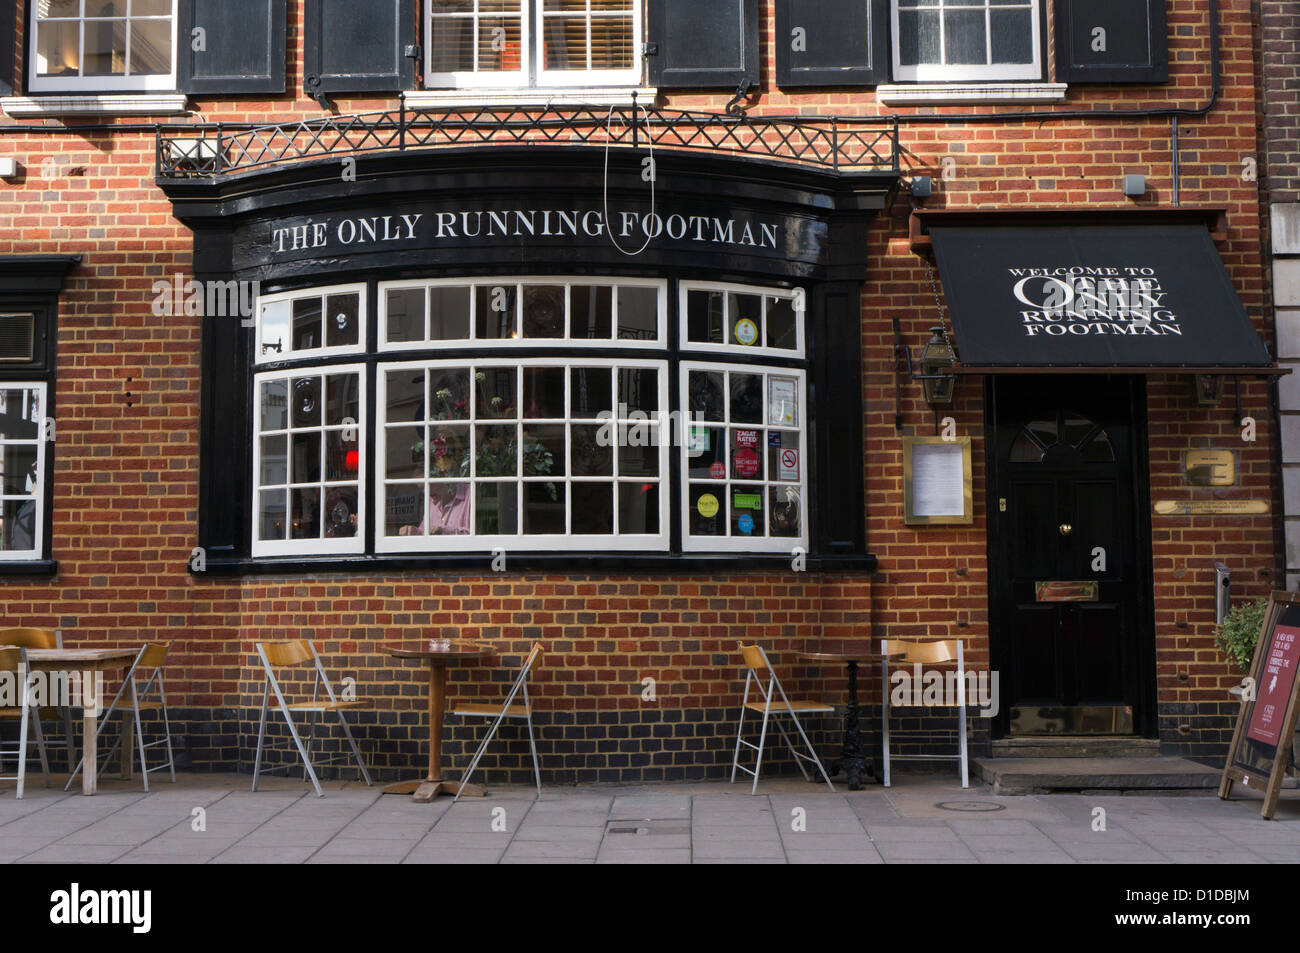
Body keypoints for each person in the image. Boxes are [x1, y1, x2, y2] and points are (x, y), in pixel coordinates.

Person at [400, 482, 471, 536]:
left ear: (443, 477)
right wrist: (414, 532)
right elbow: (425, 531)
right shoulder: (432, 499)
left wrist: (443, 532)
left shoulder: (471, 493)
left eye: (428, 485)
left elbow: (476, 534)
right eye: (422, 488)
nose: (425, 492)